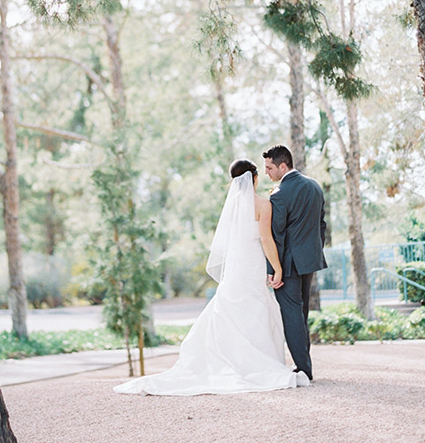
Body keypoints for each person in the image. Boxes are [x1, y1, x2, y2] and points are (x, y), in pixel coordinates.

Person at [114, 158, 309, 395]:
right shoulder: (262, 205)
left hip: (236, 266)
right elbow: (266, 240)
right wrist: (277, 269)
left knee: (231, 308)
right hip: (252, 263)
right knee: (255, 308)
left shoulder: (232, 205)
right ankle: (256, 363)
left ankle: (230, 360)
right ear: (254, 179)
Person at [263, 144, 327, 382]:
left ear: (283, 165)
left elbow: (276, 235)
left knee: (292, 316)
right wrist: (313, 251)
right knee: (301, 315)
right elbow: (322, 225)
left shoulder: (279, 194)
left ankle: (303, 369)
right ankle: (304, 364)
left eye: (270, 168)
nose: (267, 173)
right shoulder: (314, 186)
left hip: (287, 266)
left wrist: (273, 271)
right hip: (309, 261)